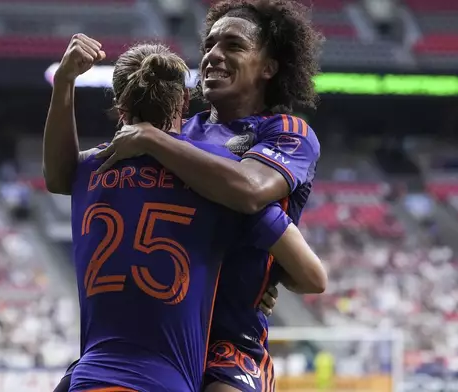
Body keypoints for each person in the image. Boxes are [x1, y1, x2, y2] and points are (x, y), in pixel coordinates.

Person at [63, 42, 325, 392]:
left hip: (224, 342)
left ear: (268, 66)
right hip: (156, 343)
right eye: (209, 43)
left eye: (233, 44)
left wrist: (262, 276)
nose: (213, 53)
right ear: (181, 102)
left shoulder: (281, 133)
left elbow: (250, 190)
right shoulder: (174, 145)